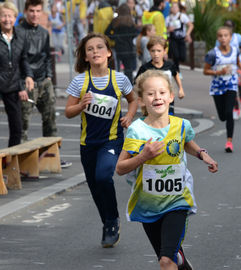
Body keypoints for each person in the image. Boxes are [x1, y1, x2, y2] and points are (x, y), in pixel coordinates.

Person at [116, 69, 218, 270]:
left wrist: (201, 154)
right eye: (151, 93)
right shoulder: (138, 130)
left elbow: (187, 142)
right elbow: (120, 168)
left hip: (176, 201)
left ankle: (174, 259)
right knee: (171, 260)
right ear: (142, 100)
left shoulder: (181, 125)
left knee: (166, 261)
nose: (157, 97)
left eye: (162, 93)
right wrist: (144, 156)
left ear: (171, 96)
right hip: (148, 205)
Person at [65, 33, 137, 248]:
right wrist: (80, 106)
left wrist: (129, 116)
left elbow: (133, 100)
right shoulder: (80, 81)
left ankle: (113, 219)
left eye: (99, 47)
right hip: (88, 144)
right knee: (95, 186)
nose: (95, 51)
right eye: (90, 49)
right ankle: (106, 222)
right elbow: (68, 111)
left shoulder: (120, 79)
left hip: (112, 141)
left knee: (104, 176)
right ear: (85, 56)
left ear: (108, 53)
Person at [17, 0, 71, 168]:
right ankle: (21, 160)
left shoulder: (43, 32)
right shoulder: (18, 32)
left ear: (41, 12)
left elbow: (47, 56)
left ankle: (51, 156)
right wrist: (25, 79)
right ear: (26, 11)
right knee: (23, 122)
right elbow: (20, 58)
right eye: (31, 11)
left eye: (38, 11)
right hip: (27, 81)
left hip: (43, 81)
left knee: (50, 120)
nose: (35, 14)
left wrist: (48, 76)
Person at [204, 26, 241, 153]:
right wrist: (219, 72)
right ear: (218, 38)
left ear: (230, 37)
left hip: (231, 85)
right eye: (220, 36)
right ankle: (225, 122)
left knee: (229, 113)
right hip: (217, 87)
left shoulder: (235, 50)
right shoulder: (212, 53)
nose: (223, 38)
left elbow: (238, 62)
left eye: (226, 35)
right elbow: (205, 71)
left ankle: (229, 142)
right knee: (222, 116)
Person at [0, 1, 34, 147]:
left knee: (17, 127)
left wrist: (28, 77)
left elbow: (23, 60)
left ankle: (10, 164)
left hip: (12, 85)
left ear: (15, 17)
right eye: (3, 16)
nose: (7, 19)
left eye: (10, 16)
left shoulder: (21, 36)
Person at [135, 36, 184, 115]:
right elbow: (137, 83)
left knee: (168, 121)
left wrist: (181, 89)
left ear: (164, 51)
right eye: (153, 51)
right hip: (151, 102)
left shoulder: (170, 65)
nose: (156, 54)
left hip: (167, 99)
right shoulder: (145, 68)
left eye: (159, 51)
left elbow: (175, 74)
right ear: (149, 51)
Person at [105, 3, 138, 83]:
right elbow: (135, 33)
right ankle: (129, 87)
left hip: (118, 47)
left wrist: (115, 37)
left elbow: (106, 32)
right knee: (128, 70)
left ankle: (116, 86)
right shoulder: (131, 21)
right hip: (128, 48)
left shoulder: (115, 21)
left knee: (116, 69)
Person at [224, 19, 241, 119]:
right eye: (226, 25)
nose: (228, 27)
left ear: (233, 27)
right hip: (227, 65)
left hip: (238, 64)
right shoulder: (221, 38)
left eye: (230, 26)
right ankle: (236, 109)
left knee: (239, 83)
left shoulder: (238, 37)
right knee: (231, 87)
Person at [166, 1, 193, 69]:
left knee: (183, 57)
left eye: (176, 7)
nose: (174, 8)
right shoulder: (168, 18)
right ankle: (177, 70)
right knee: (176, 55)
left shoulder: (182, 16)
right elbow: (165, 31)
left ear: (178, 8)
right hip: (173, 39)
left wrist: (187, 34)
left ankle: (175, 67)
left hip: (181, 39)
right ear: (171, 9)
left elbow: (191, 25)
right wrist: (169, 30)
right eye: (173, 7)